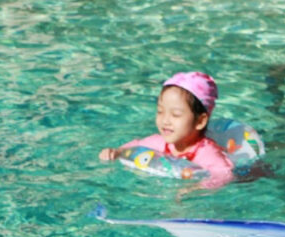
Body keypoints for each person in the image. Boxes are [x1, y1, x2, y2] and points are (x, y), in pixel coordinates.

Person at [98, 72, 234, 188]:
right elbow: (136, 145)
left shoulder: (206, 152)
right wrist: (116, 152)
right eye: (160, 111)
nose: (165, 120)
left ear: (200, 121)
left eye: (175, 114)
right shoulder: (159, 142)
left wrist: (197, 188)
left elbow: (224, 175)